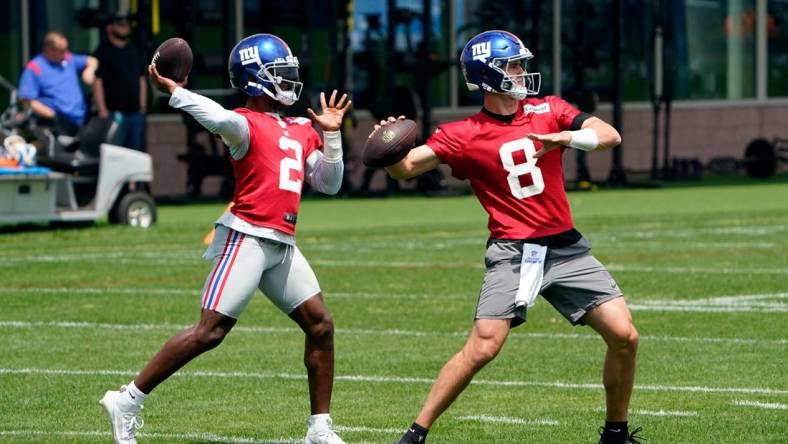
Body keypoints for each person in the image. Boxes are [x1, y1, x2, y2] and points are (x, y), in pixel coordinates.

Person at [373, 30, 642, 444]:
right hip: (515, 252)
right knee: (483, 347)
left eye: (520, 63)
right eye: (513, 65)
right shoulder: (463, 133)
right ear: (488, 74)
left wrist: (566, 137)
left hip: (565, 247)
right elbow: (406, 168)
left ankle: (616, 433)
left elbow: (610, 135)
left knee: (624, 336)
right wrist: (387, 148)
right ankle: (414, 435)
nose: (521, 71)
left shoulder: (549, 109)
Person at [99, 33, 351, 444]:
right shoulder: (243, 125)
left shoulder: (303, 127)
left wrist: (334, 136)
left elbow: (329, 182)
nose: (289, 80)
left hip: (281, 242)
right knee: (209, 332)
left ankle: (319, 429)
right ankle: (126, 399)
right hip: (247, 237)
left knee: (320, 325)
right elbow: (215, 116)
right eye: (279, 74)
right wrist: (177, 91)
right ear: (256, 80)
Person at [18, 31, 98, 136]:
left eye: (66, 49)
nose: (66, 53)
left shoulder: (68, 59)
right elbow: (28, 101)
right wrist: (55, 116)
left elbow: (93, 60)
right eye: (62, 50)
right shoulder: (34, 68)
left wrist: (90, 70)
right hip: (54, 126)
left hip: (80, 120)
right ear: (49, 49)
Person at [92, 12, 147, 151]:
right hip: (113, 113)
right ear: (109, 28)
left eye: (126, 24)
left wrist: (142, 105)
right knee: (115, 153)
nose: (125, 27)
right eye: (120, 24)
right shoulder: (103, 51)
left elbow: (141, 77)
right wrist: (102, 110)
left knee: (136, 154)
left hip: (135, 113)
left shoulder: (134, 49)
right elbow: (97, 81)